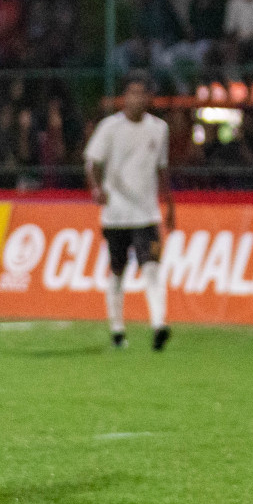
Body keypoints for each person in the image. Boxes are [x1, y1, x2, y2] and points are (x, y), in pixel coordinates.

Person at [84, 74, 174, 350]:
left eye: (141, 93)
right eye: (132, 93)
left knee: (152, 267)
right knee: (118, 270)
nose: (136, 98)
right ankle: (117, 330)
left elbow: (162, 168)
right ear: (125, 97)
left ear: (148, 97)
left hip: (147, 213)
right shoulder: (110, 128)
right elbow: (92, 162)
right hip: (116, 214)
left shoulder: (159, 129)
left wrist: (169, 205)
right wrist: (96, 188)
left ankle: (159, 325)